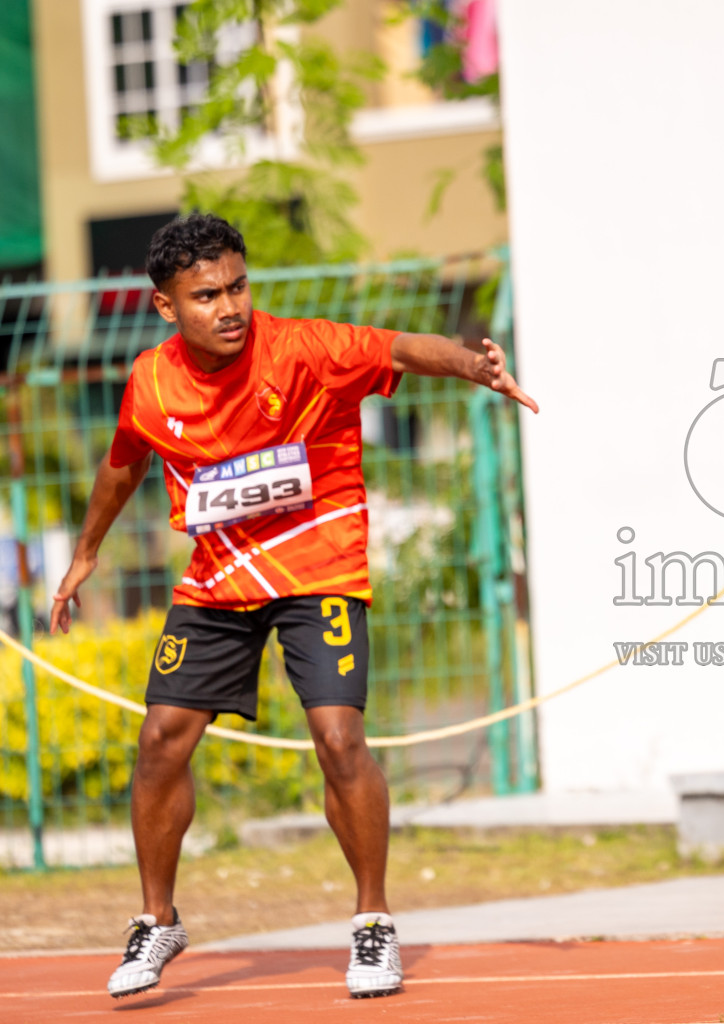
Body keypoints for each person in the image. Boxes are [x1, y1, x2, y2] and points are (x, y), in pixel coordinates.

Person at [49, 214, 539, 1000]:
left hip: (319, 568)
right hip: (220, 577)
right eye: (206, 295)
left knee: (339, 737)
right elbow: (121, 464)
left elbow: (400, 348)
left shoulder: (303, 347)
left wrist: (475, 366)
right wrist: (85, 553)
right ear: (168, 307)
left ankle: (373, 924)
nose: (230, 306)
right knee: (160, 741)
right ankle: (156, 920)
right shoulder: (150, 380)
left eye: (238, 286)